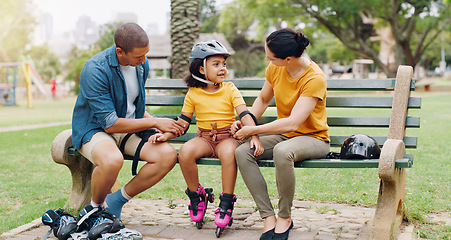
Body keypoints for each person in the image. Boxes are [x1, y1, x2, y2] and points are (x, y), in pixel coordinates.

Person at [71, 22, 185, 239]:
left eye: (146, 55)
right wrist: (156, 122)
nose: (143, 61)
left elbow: (134, 107)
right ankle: (96, 210)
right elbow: (110, 123)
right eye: (138, 57)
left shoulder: (141, 65)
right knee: (113, 160)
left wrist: (161, 124)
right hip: (95, 128)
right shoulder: (95, 69)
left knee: (167, 155)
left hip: (126, 127)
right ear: (119, 51)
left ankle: (115, 202)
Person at [149, 40, 263, 235]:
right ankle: (196, 196)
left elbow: (244, 115)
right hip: (204, 138)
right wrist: (165, 135)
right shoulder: (193, 93)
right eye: (216, 64)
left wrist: (254, 135)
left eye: (224, 64)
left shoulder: (230, 89)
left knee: (228, 153)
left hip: (228, 137)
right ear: (201, 69)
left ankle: (226, 202)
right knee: (185, 151)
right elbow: (183, 123)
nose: (222, 68)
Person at [232, 28, 330, 240]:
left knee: (282, 151)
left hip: (314, 139)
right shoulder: (275, 68)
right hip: (286, 136)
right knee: (242, 153)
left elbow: (293, 122)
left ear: (287, 59)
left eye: (270, 56)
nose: (267, 59)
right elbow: (263, 100)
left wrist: (255, 130)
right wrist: (244, 122)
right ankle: (268, 216)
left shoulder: (314, 78)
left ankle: (285, 217)